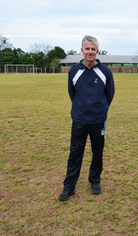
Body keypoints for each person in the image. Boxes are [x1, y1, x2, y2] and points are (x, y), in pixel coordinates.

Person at [59, 35, 115, 201]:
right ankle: (69, 186)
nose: (90, 52)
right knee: (75, 152)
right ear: (82, 50)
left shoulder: (105, 72)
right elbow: (72, 93)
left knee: (97, 152)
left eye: (93, 49)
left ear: (97, 51)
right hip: (79, 119)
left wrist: (100, 109)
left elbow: (109, 94)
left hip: (98, 120)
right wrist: (80, 108)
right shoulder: (74, 71)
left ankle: (95, 181)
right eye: (87, 49)